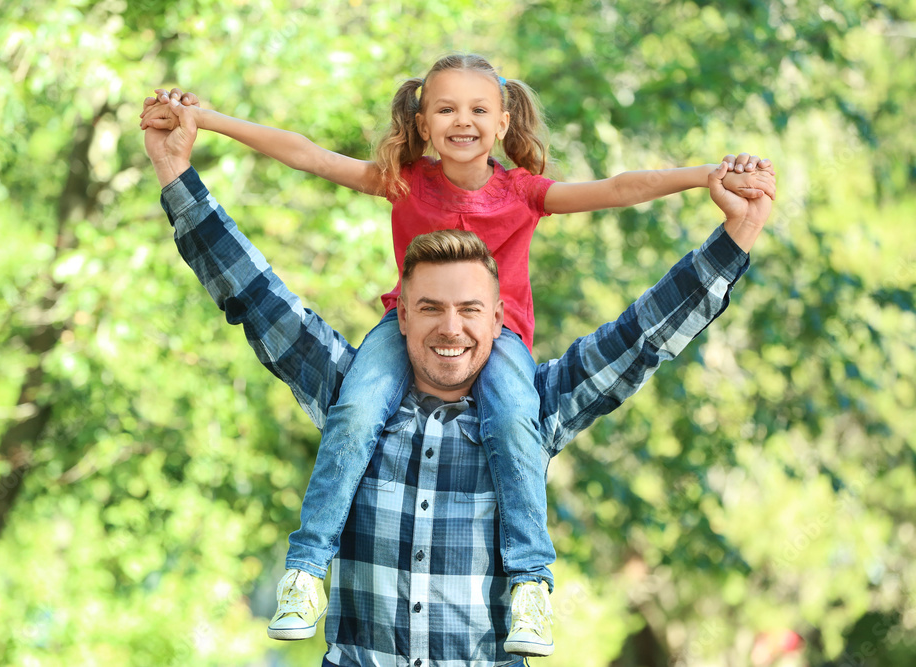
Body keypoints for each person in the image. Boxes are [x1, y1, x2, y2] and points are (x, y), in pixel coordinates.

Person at [141, 54, 775, 657]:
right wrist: (200, 132)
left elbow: (629, 245)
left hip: (510, 351)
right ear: (422, 123)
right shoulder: (403, 188)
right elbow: (292, 193)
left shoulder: (524, 207)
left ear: (503, 122)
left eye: (478, 110)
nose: (462, 122)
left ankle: (531, 582)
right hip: (363, 631)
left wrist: (712, 187)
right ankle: (307, 570)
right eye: (446, 109)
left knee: (514, 420)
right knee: (354, 413)